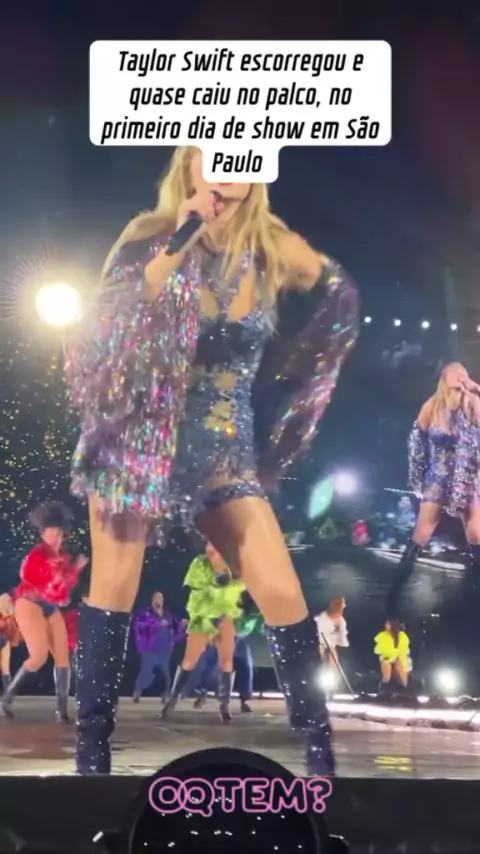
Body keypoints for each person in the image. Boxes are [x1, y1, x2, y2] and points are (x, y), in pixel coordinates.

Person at [65, 145, 358, 775]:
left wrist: (301, 368)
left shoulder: (268, 249)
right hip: (138, 443)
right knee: (114, 586)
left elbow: (338, 291)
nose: (228, 172)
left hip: (223, 452)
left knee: (282, 589)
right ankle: (91, 756)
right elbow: (112, 319)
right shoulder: (150, 235)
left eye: (242, 160)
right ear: (190, 162)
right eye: (216, 156)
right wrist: (180, 238)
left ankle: (321, 758)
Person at [386, 363, 480, 616]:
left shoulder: (472, 403)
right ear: (444, 378)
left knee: (476, 535)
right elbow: (416, 444)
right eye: (455, 372)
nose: (460, 375)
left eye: (464, 372)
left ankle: (474, 599)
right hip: (438, 478)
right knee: (421, 533)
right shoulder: (432, 406)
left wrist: (476, 390)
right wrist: (417, 478)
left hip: (467, 479)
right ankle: (393, 597)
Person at [1, 503, 88, 721]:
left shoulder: (64, 559)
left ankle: (62, 711)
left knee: (63, 658)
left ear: (63, 535)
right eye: (50, 534)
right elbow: (45, 588)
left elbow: (65, 589)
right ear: (43, 535)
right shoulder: (36, 556)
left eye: (58, 534)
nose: (54, 539)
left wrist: (73, 571)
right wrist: (63, 581)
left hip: (50, 607)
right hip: (29, 604)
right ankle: (6, 698)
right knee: (38, 657)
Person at [162, 543, 245, 724]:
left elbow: (240, 585)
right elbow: (196, 586)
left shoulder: (234, 563)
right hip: (203, 617)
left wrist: (229, 582)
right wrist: (217, 583)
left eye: (215, 543)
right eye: (209, 544)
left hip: (225, 616)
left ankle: (224, 705)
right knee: (190, 660)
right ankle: (172, 700)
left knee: (227, 661)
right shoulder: (199, 563)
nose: (212, 548)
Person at [132, 592, 187, 702]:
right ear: (152, 600)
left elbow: (175, 629)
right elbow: (139, 625)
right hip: (150, 650)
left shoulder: (168, 615)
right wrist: (157, 624)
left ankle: (165, 695)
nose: (158, 601)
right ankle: (137, 692)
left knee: (166, 675)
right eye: (156, 598)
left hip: (165, 651)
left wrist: (183, 626)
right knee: (146, 672)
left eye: (160, 598)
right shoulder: (146, 614)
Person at [234, 592, 264, 713]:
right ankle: (203, 693)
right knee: (219, 670)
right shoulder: (238, 609)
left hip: (242, 639)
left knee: (246, 669)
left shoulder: (257, 611)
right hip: (229, 637)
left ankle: (244, 701)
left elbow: (260, 628)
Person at [374, 620, 411, 695]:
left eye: (387, 624)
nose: (386, 625)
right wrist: (386, 658)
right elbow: (379, 650)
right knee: (387, 676)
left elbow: (405, 650)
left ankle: (404, 693)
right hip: (386, 658)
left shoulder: (402, 636)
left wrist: (400, 659)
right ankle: (381, 691)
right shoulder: (383, 635)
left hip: (399, 658)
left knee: (403, 676)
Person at [315, 598, 349, 674]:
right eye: (343, 603)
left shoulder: (342, 621)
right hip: (322, 647)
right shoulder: (321, 619)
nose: (344, 605)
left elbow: (343, 638)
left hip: (333, 649)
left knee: (334, 668)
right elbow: (319, 635)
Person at [0, 594, 23, 696]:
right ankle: (7, 694)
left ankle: (7, 695)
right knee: (5, 665)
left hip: (5, 636)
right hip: (4, 635)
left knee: (5, 665)